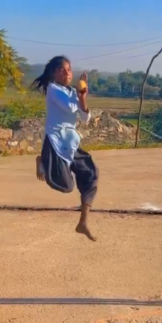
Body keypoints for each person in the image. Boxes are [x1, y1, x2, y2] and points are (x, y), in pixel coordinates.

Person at [32, 56, 99, 242]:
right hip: (54, 142)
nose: (67, 72)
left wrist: (83, 97)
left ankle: (83, 222)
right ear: (53, 73)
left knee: (91, 174)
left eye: (69, 69)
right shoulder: (53, 89)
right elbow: (70, 108)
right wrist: (78, 97)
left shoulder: (71, 91)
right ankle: (42, 160)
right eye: (62, 69)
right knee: (66, 186)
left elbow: (85, 118)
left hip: (70, 142)